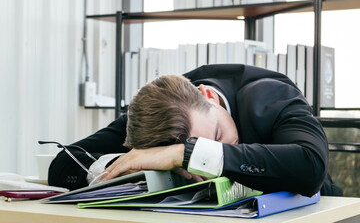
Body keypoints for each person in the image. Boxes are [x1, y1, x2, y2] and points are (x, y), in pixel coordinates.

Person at [48, 64, 342, 196]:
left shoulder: (269, 96)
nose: (199, 164)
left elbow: (310, 166)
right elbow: (64, 163)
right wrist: (126, 165)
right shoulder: (158, 110)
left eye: (215, 138)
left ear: (209, 97)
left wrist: (185, 153)